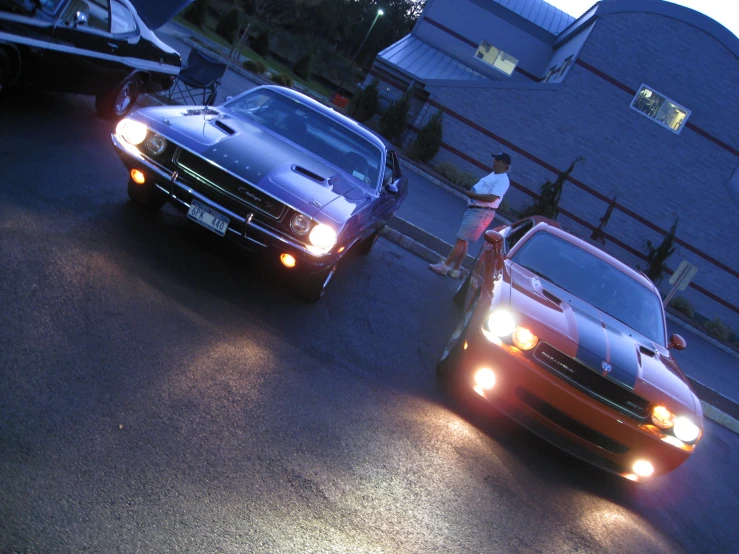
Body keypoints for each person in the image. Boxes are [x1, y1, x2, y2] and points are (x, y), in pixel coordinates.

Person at [429, 152, 512, 278]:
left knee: (461, 240)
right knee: (464, 241)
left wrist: (472, 195)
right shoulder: (495, 174)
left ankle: (444, 266)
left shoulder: (503, 180)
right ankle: (456, 269)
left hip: (481, 211)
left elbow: (492, 197)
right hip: (477, 209)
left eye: (498, 160)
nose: (494, 162)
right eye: (494, 159)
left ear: (505, 165)